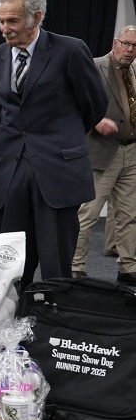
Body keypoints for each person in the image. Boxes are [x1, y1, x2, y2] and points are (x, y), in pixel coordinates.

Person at [0, 0, 107, 293]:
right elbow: (2, 110)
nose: (5, 29)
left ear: (36, 18)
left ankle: (56, 319)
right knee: (10, 264)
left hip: (58, 170)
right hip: (11, 170)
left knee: (56, 264)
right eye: (0, 21)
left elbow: (94, 105)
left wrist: (62, 139)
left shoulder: (70, 50)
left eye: (12, 21)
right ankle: (11, 319)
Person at [72, 25, 136, 283]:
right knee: (88, 214)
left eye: (135, 46)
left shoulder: (134, 71)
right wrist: (95, 120)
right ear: (115, 42)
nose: (130, 49)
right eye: (126, 43)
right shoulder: (95, 65)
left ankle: (128, 268)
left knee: (129, 215)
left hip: (131, 152)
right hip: (101, 151)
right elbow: (74, 102)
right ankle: (76, 267)